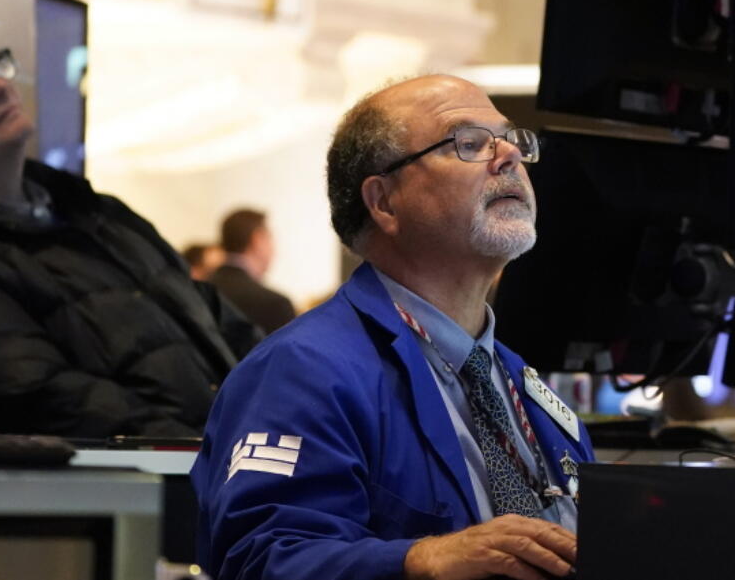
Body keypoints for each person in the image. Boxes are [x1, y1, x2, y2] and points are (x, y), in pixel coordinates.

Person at [191, 75, 593, 580]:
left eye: (512, 139)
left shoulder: (519, 383)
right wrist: (421, 559)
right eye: (469, 143)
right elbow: (258, 558)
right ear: (383, 202)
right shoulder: (303, 371)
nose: (508, 155)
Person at [0, 28, 260, 438]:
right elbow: (47, 401)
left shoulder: (100, 214)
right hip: (153, 489)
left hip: (229, 471)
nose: (0, 86)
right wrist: (210, 452)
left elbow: (221, 324)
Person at [209, 208, 297, 334]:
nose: (273, 249)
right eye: (270, 238)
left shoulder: (196, 292)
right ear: (258, 239)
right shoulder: (275, 305)